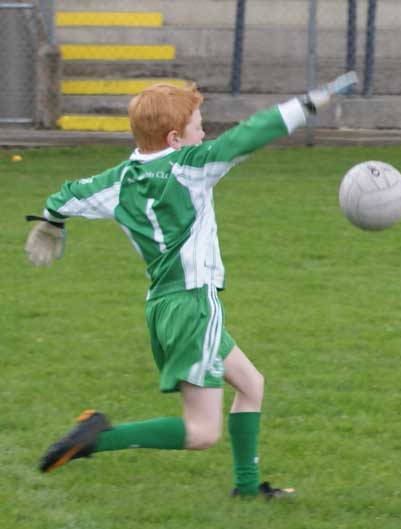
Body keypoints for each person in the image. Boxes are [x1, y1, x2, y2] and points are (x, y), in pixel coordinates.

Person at [25, 73, 356, 498]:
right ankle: (97, 437)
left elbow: (66, 195)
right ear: (175, 137)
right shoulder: (191, 168)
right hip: (193, 306)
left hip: (163, 308)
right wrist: (311, 102)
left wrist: (53, 223)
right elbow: (251, 134)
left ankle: (248, 488)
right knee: (202, 432)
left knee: (251, 384)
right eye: (200, 126)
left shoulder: (118, 181)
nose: (206, 134)